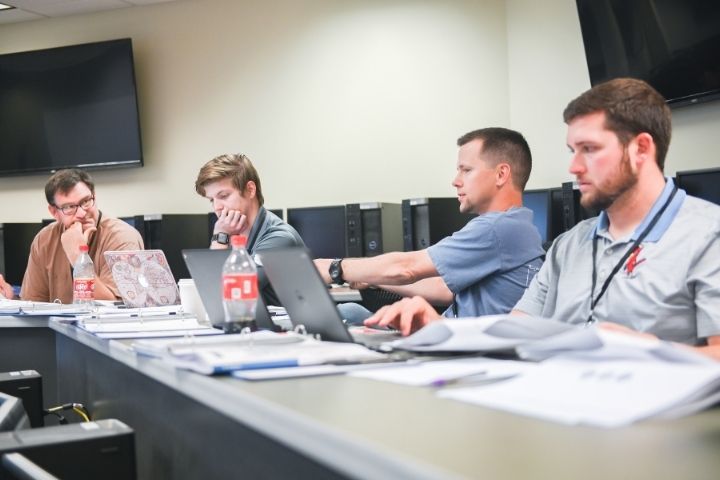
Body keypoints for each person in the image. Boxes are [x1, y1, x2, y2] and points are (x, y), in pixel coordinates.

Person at [366, 78, 720, 360]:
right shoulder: (570, 245)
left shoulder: (707, 235)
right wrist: (442, 329)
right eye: (572, 151)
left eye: (590, 149)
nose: (574, 166)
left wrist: (647, 350)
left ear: (641, 149)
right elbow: (515, 328)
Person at [315, 127, 545, 323]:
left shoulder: (498, 228)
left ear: (501, 174)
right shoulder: (518, 225)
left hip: (462, 353)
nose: (456, 181)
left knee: (346, 314)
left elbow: (405, 268)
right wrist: (372, 279)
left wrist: (334, 268)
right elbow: (443, 289)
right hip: (452, 335)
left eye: (466, 170)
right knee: (351, 312)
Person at [195, 153, 305, 305]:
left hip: (291, 327)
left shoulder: (279, 238)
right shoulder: (234, 237)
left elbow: (232, 294)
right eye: (212, 200)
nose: (217, 207)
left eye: (224, 196)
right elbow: (209, 290)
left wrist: (220, 236)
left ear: (250, 190)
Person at [21, 169, 144, 303]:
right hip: (54, 324)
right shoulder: (44, 239)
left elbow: (114, 308)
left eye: (86, 201)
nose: (81, 213)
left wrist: (78, 257)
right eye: (69, 207)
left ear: (94, 197)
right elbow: (32, 305)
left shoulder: (123, 237)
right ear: (54, 212)